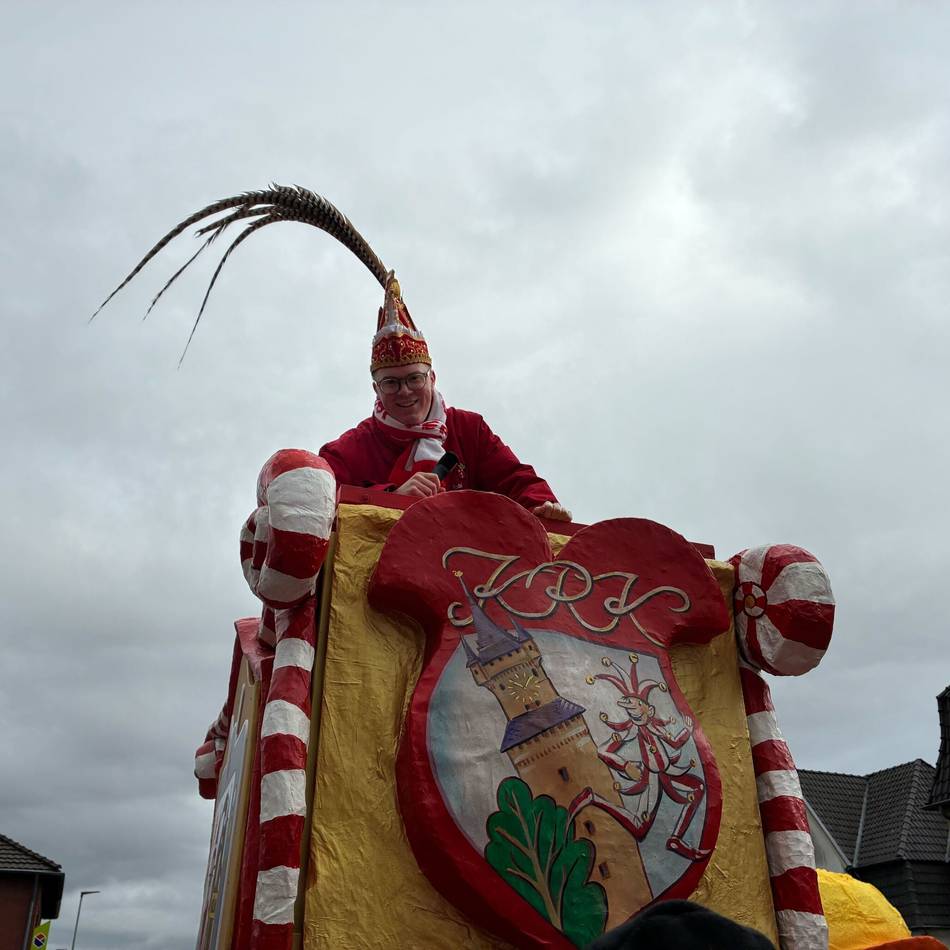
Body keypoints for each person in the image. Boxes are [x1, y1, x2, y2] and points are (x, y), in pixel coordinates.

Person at [319, 275, 571, 522]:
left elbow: (517, 481)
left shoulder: (469, 429)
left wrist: (544, 508)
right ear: (376, 389)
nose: (404, 391)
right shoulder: (348, 450)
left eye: (414, 378)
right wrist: (391, 497)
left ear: (432, 378)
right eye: (391, 383)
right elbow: (321, 501)